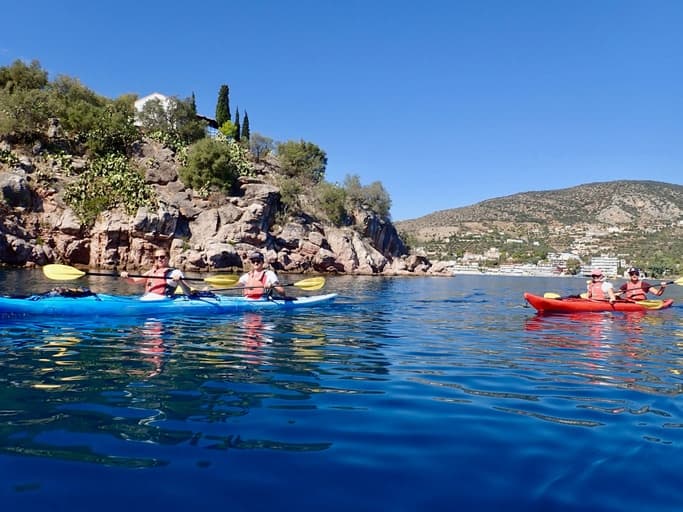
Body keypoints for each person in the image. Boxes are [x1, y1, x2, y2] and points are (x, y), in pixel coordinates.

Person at [120, 249, 193, 298]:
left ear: (168, 258)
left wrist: (179, 281)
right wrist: (125, 276)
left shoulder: (175, 272)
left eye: (162, 257)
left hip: (162, 302)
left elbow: (188, 293)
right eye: (156, 257)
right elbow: (133, 281)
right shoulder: (151, 272)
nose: (159, 259)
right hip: (146, 300)